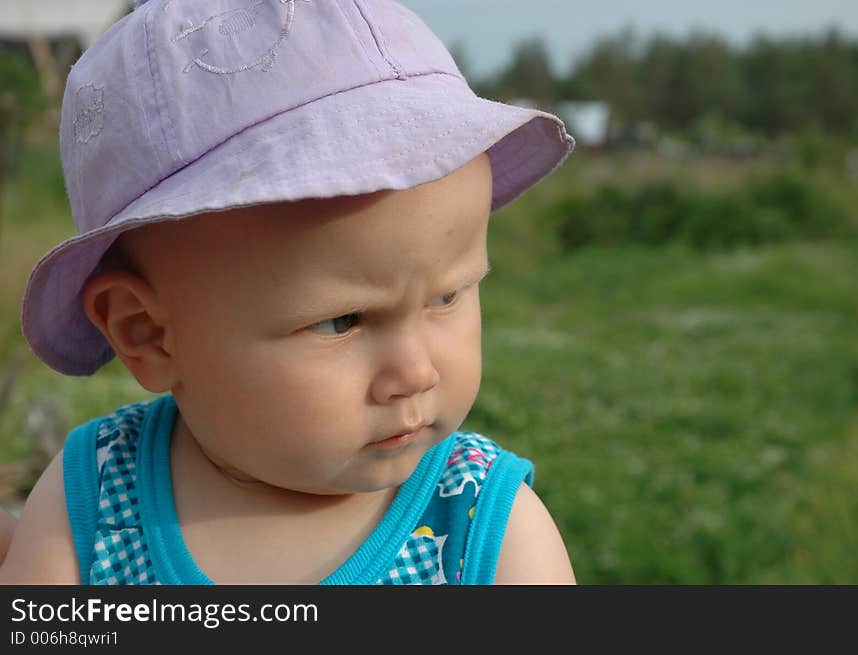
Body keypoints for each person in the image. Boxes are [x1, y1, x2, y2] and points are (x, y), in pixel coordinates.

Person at [0, 0, 576, 585]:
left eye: (447, 296)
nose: (416, 372)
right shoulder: (91, 507)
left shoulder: (486, 533)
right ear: (147, 333)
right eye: (342, 321)